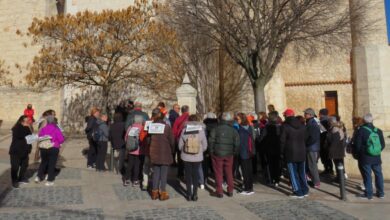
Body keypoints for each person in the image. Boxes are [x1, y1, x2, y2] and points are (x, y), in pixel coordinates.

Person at [354, 113, 385, 200]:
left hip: (365, 157)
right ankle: (381, 193)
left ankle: (369, 194)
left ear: (363, 121)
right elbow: (382, 145)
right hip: (376, 157)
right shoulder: (378, 131)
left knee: (367, 175)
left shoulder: (361, 130)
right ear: (372, 120)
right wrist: (376, 151)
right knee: (379, 174)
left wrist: (358, 154)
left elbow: (357, 145)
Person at [209, 112, 240, 198]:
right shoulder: (233, 130)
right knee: (229, 172)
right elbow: (237, 143)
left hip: (217, 153)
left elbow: (211, 141)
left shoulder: (215, 129)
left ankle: (219, 191)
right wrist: (234, 152)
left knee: (218, 172)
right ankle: (230, 190)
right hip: (229, 154)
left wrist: (211, 151)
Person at [178, 114, 208, 201]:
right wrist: (199, 151)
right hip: (197, 157)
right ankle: (195, 194)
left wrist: (184, 150)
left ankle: (188, 194)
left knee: (188, 175)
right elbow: (205, 146)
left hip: (186, 157)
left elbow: (180, 146)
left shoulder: (184, 130)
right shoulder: (201, 131)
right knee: (195, 175)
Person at [280, 109, 308, 198]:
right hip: (302, 151)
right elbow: (306, 138)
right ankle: (305, 190)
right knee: (302, 173)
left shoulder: (285, 126)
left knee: (293, 173)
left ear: (286, 116)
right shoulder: (302, 125)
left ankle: (298, 192)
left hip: (290, 152)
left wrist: (281, 152)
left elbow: (282, 141)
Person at [148, 108, 175, 201]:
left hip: (154, 152)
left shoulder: (151, 127)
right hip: (165, 153)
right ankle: (163, 193)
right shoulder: (167, 127)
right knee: (163, 174)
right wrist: (172, 150)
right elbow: (172, 141)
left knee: (156, 173)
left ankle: (154, 193)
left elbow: (148, 140)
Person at [35, 115, 65, 186]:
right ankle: (50, 180)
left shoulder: (43, 129)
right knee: (52, 164)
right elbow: (61, 139)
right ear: (54, 121)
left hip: (43, 148)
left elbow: (40, 137)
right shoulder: (56, 129)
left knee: (43, 162)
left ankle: (38, 176)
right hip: (53, 147)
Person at [9, 115, 32, 188]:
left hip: (25, 150)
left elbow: (30, 135)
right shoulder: (16, 127)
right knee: (15, 167)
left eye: (28, 120)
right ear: (22, 120)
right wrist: (27, 127)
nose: (28, 121)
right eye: (27, 120)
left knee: (24, 165)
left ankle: (21, 178)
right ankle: (14, 181)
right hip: (16, 150)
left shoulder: (27, 127)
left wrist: (29, 127)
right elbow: (21, 135)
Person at [124, 115, 147, 187]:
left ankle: (127, 179)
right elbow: (143, 139)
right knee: (137, 165)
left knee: (130, 164)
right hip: (139, 150)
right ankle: (135, 180)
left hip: (131, 149)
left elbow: (126, 138)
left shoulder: (130, 127)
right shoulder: (142, 128)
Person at [260, 111, 282, 187]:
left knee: (270, 165)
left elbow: (261, 138)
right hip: (278, 148)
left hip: (269, 148)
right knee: (277, 164)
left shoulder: (267, 127)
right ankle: (277, 179)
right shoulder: (280, 126)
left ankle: (272, 179)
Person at [237, 113, 256, 195]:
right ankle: (250, 187)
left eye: (238, 119)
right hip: (250, 151)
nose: (237, 120)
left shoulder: (240, 129)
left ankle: (247, 189)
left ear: (242, 119)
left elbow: (239, 142)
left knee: (245, 171)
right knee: (249, 170)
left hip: (244, 152)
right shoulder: (250, 127)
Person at [325, 117, 346, 182]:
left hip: (337, 151)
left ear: (332, 122)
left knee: (339, 165)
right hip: (338, 150)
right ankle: (339, 178)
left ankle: (340, 179)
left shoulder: (335, 129)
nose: (328, 123)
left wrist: (331, 151)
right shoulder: (336, 128)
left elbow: (335, 141)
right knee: (339, 165)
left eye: (329, 121)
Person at [304, 108, 321, 188]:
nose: (304, 115)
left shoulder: (312, 123)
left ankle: (316, 182)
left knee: (312, 166)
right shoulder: (311, 122)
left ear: (310, 115)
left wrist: (306, 144)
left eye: (306, 114)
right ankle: (313, 179)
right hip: (313, 147)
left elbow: (313, 137)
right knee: (311, 165)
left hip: (312, 148)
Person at [172, 105, 190, 178]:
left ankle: (180, 173)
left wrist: (175, 139)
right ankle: (189, 173)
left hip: (180, 140)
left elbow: (174, 131)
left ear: (182, 111)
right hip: (190, 139)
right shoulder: (190, 118)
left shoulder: (178, 119)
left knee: (180, 157)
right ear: (188, 111)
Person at [202, 112, 219, 187]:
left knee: (205, 165)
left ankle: (204, 179)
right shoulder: (217, 125)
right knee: (216, 165)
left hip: (206, 147)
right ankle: (217, 180)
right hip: (215, 147)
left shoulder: (204, 125)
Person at [319, 109, 333, 175]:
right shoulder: (330, 120)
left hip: (323, 141)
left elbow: (322, 131)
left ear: (321, 114)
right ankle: (330, 170)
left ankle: (327, 170)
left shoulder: (322, 121)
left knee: (324, 156)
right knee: (328, 157)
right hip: (329, 141)